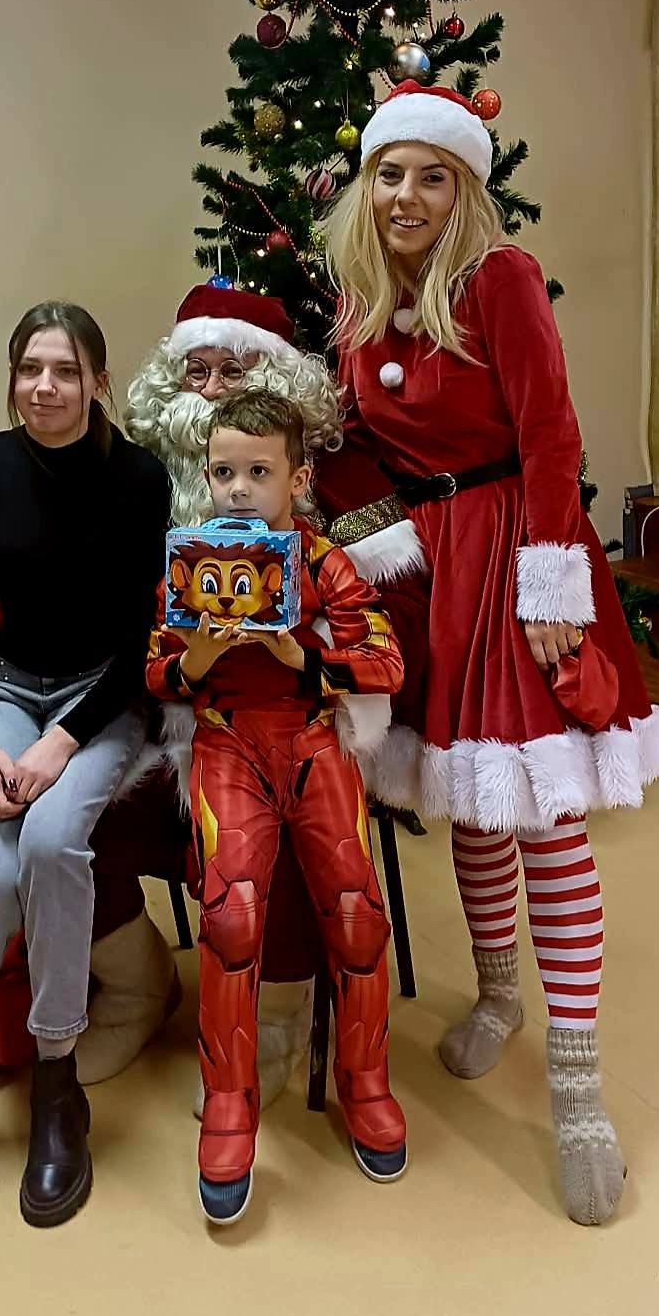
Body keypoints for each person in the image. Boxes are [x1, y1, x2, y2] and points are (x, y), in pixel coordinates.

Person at [324, 79, 659, 1225]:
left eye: (433, 176)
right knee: (470, 805)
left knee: (545, 818)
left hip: (520, 553)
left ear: (463, 187)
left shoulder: (499, 278)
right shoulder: (363, 305)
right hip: (432, 571)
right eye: (391, 173)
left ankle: (576, 1087)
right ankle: (498, 995)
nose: (407, 195)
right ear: (368, 186)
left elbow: (552, 434)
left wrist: (553, 583)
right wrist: (365, 556)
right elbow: (349, 451)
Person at [77, 283, 426, 1102]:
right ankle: (136, 989)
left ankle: (275, 1024)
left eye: (230, 370)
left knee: (295, 845)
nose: (207, 391)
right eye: (192, 371)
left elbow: (403, 613)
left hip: (306, 718)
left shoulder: (335, 479)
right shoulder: (138, 481)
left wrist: (311, 648)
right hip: (162, 711)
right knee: (73, 820)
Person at [0, 301, 169, 1229]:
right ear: (12, 377)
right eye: (29, 370)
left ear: (98, 381)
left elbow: (142, 640)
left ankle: (56, 1078)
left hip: (103, 698)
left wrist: (61, 744)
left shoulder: (137, 479)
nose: (44, 388)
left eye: (64, 370)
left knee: (54, 845)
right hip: (5, 689)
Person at [148, 391, 407, 1224]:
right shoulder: (190, 562)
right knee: (229, 919)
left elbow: (385, 660)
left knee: (357, 915)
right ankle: (229, 1104)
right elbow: (155, 671)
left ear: (296, 480)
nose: (236, 489)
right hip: (227, 744)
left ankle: (365, 1081)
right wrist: (196, 656)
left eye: (257, 472)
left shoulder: (323, 561)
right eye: (221, 471)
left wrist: (302, 656)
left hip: (312, 739)